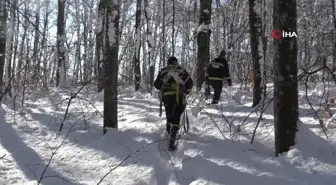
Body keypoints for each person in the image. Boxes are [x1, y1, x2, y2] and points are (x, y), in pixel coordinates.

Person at [154, 56, 193, 150]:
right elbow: (189, 83)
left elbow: (156, 85)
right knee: (177, 115)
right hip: (179, 96)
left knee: (169, 114)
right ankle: (173, 136)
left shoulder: (163, 71)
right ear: (176, 62)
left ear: (168, 63)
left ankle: (169, 131)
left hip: (166, 96)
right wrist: (186, 92)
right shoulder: (181, 70)